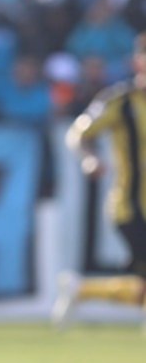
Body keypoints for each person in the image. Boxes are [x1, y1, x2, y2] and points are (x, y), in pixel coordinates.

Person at [53, 33, 146, 326]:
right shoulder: (121, 100)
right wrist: (90, 158)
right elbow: (79, 134)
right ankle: (81, 290)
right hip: (132, 206)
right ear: (137, 62)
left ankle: (81, 290)